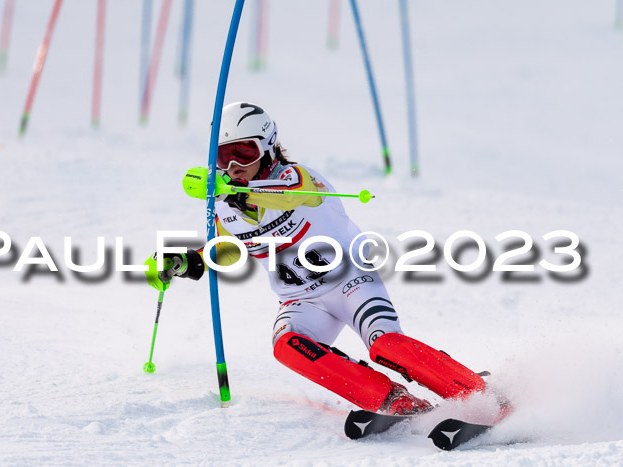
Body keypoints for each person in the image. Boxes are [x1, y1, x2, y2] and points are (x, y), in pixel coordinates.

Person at [145, 102, 489, 416]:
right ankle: (390, 399)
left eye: (244, 152)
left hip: (351, 282)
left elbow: (286, 196)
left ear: (267, 147)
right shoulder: (225, 206)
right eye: (223, 158)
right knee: (287, 345)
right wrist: (188, 260)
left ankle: (478, 394)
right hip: (301, 299)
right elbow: (228, 247)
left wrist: (234, 191)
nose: (234, 166)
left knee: (384, 344)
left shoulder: (300, 179)